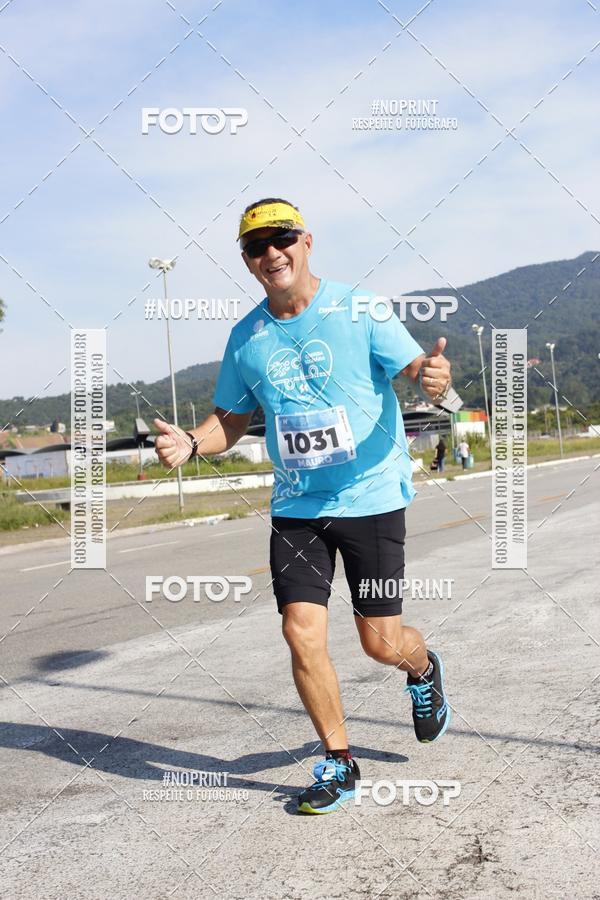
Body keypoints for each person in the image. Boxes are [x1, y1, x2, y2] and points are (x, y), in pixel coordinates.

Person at [154, 198, 454, 815]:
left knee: (380, 642)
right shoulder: (247, 338)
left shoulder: (360, 308)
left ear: (306, 241)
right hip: (297, 507)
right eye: (256, 247)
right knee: (301, 632)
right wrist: (191, 441)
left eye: (281, 239)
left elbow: (417, 365)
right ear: (246, 261)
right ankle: (339, 762)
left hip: (370, 496)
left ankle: (423, 673)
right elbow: (231, 420)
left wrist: (433, 374)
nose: (271, 254)